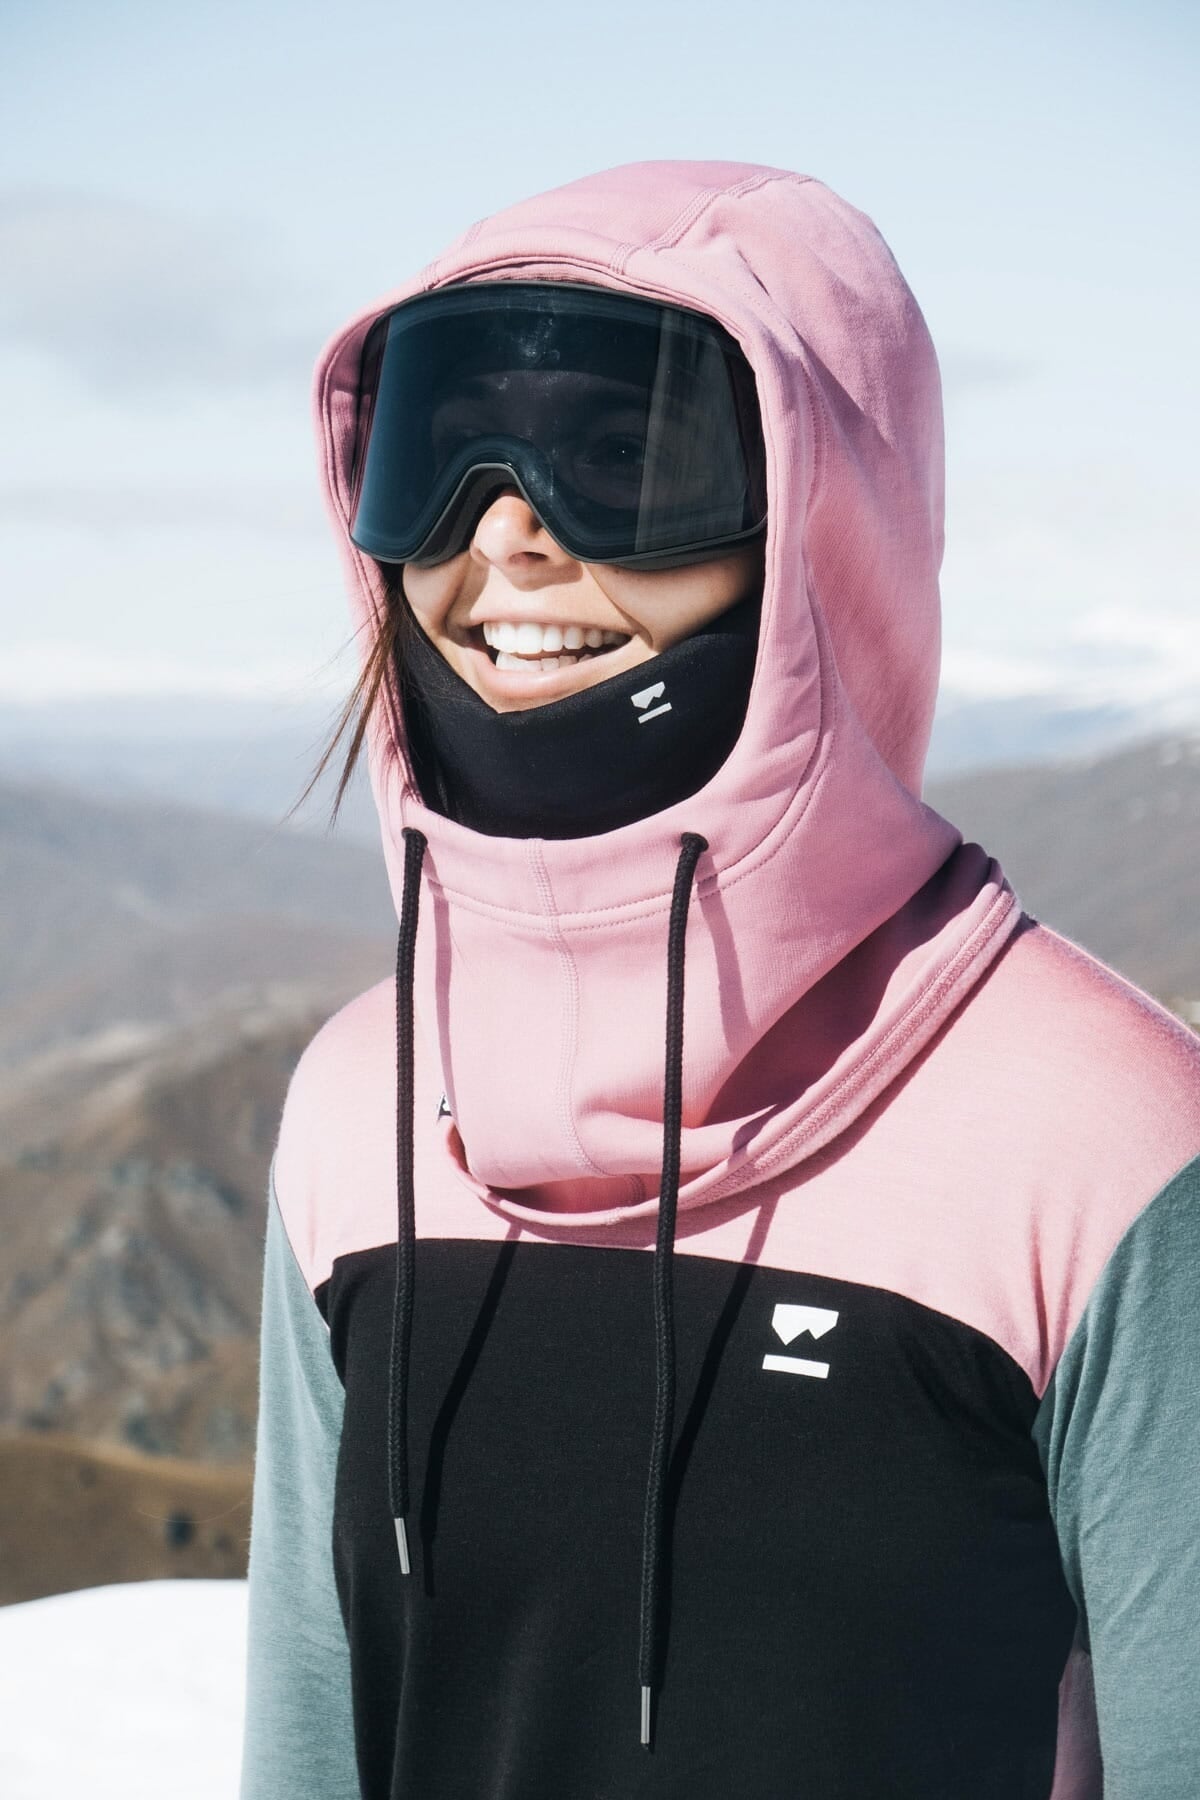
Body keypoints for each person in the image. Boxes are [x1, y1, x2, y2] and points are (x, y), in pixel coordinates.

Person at [238, 161, 1200, 1800]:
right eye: (441, 459)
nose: (506, 533)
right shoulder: (361, 1108)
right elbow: (314, 1747)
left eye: (621, 458)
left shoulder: (1102, 1142)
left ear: (823, 523)